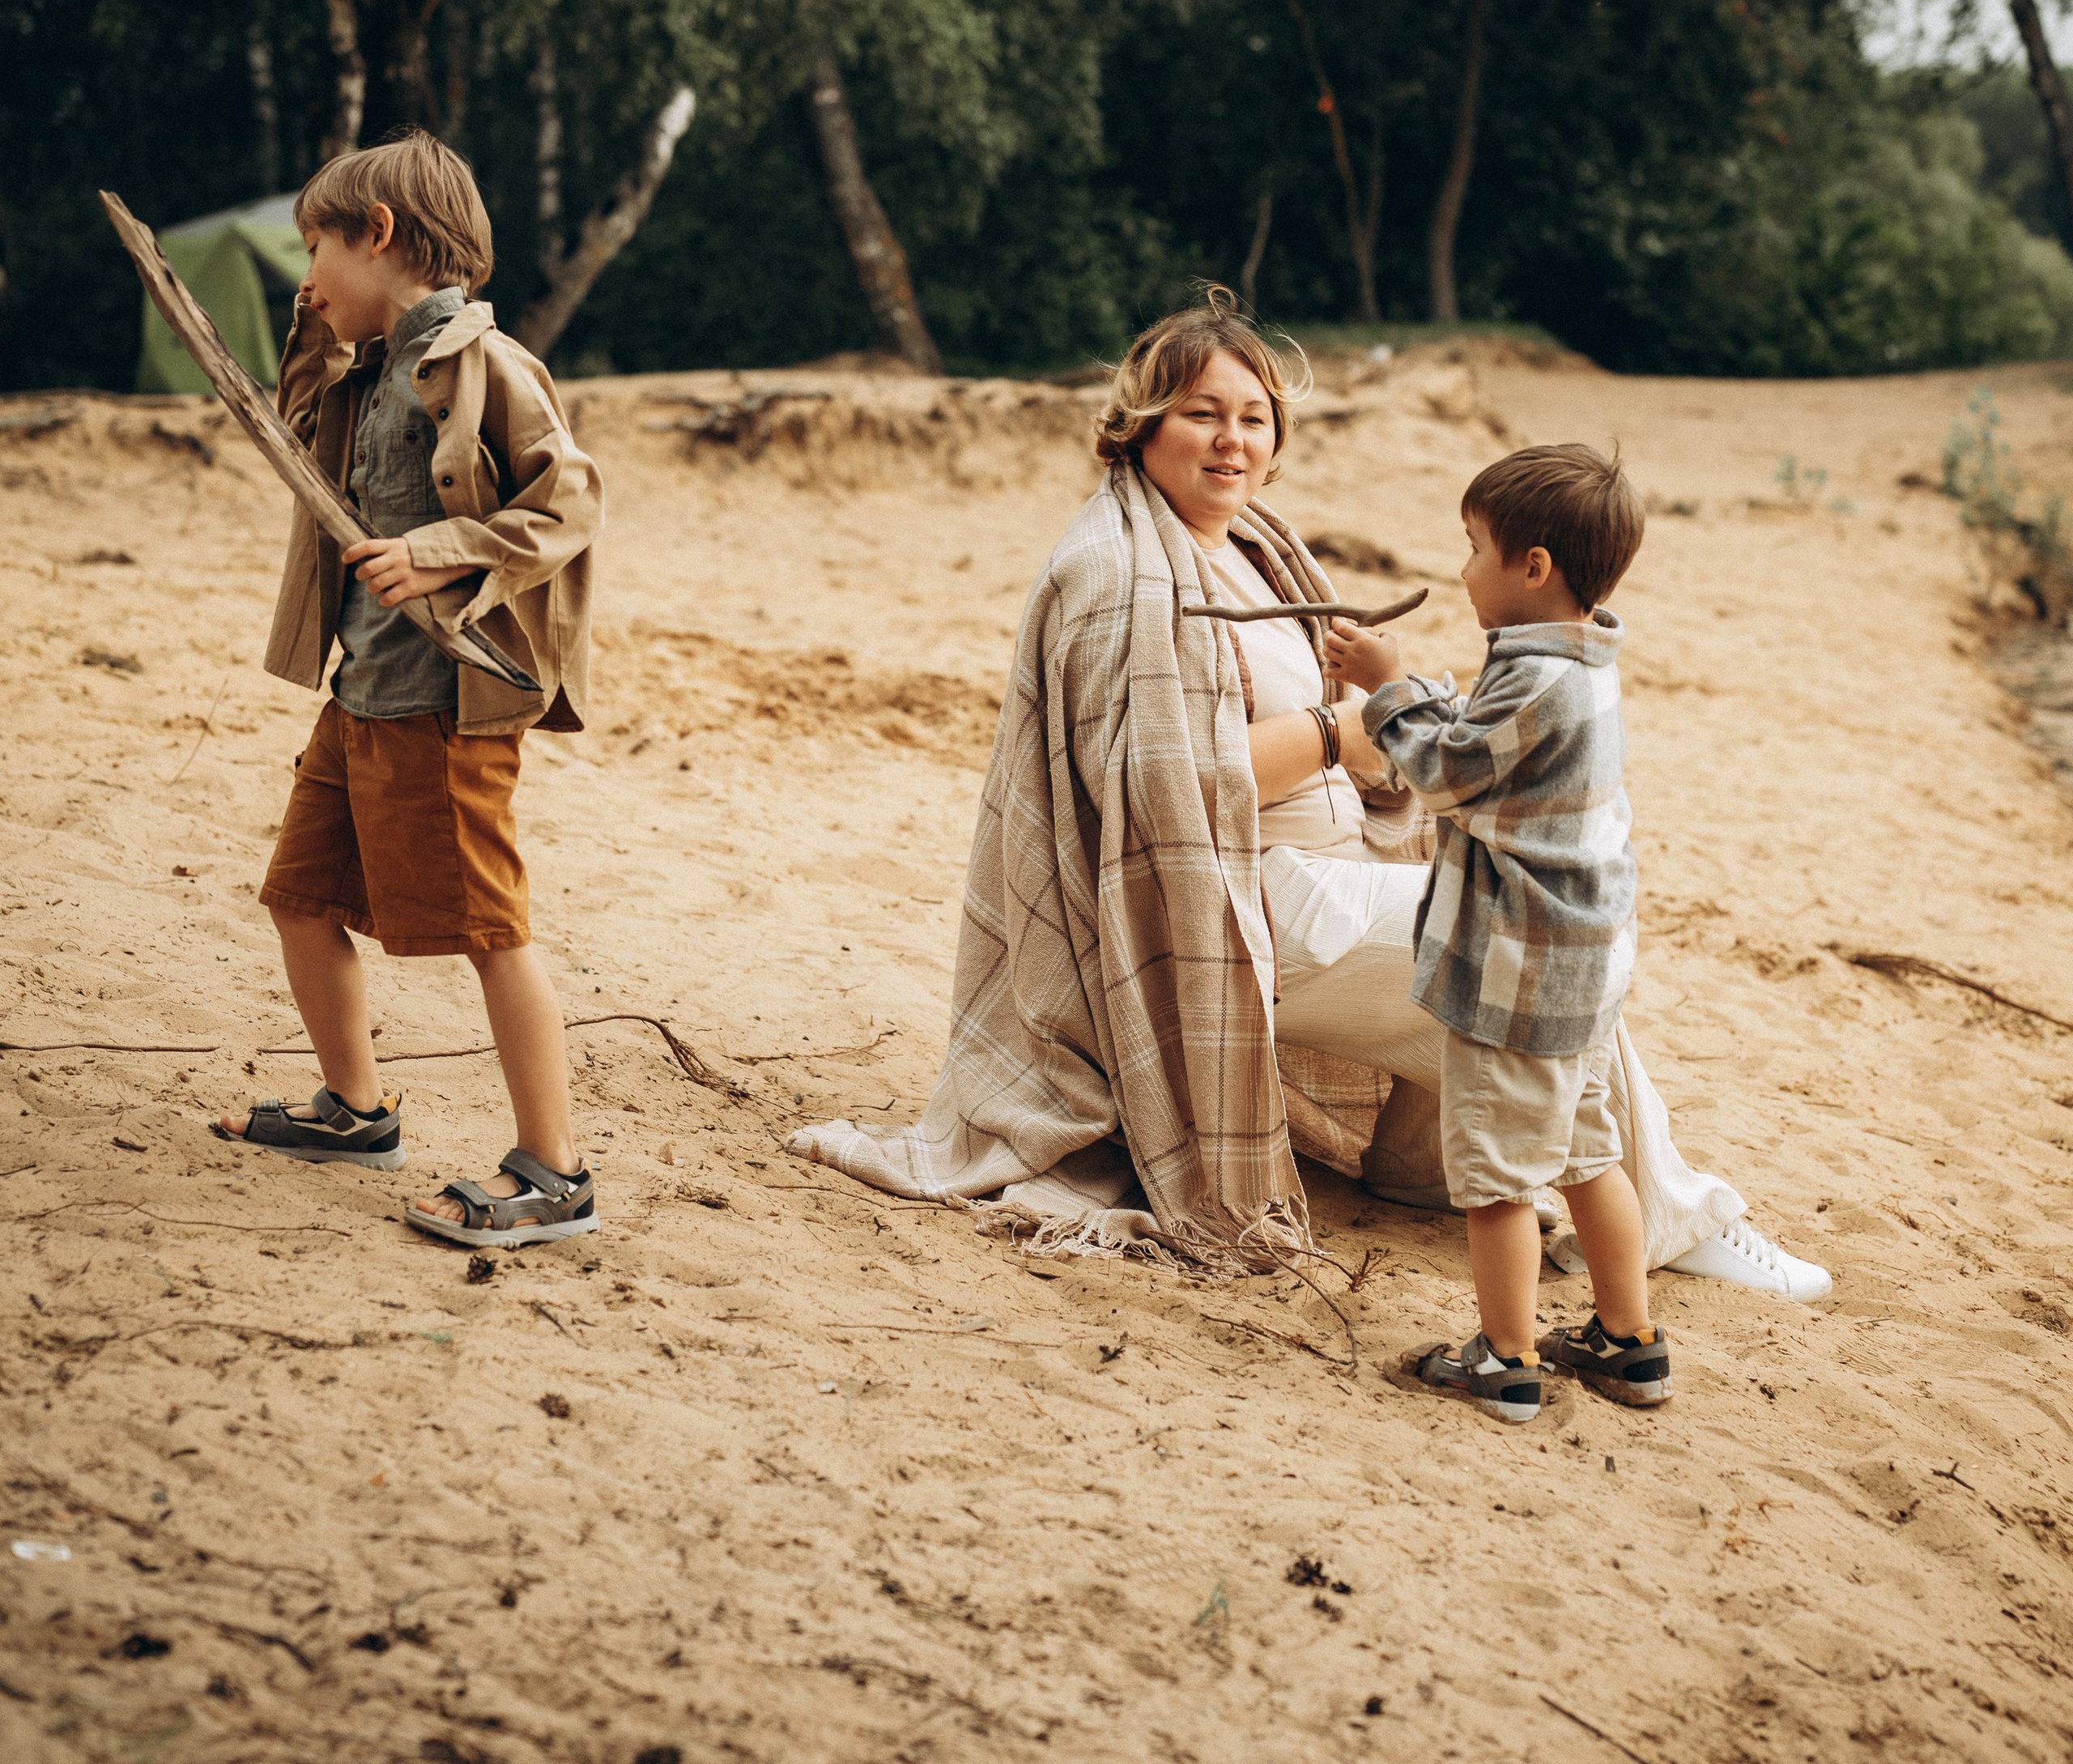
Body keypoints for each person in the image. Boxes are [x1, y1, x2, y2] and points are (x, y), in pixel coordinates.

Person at [794, 290, 1826, 1305]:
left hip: (1322, 875)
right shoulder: (1116, 572)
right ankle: (1680, 1219)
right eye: (1202, 413)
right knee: (1524, 946)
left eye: (1253, 418)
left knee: (1522, 964)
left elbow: (1335, 733)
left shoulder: (1253, 546)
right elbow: (1164, 789)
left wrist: (1381, 754)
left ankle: (1438, 1168)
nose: (1231, 440)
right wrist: (1348, 733)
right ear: (1141, 424)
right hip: (1227, 905)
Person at [214, 130, 605, 1250]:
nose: (307, 273)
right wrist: (311, 327)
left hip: (445, 704)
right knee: (301, 897)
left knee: (491, 929)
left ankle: (554, 1170)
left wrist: (442, 550)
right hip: (360, 693)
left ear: (378, 233)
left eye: (316, 248)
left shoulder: (490, 368)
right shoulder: (371, 368)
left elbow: (571, 501)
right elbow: (295, 432)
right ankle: (354, 1107)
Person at [1330, 442, 1666, 1427]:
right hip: (1582, 971)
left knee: (1496, 1179)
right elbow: (1489, 751)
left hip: (1518, 975)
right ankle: (1627, 1343)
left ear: (1534, 566)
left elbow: (1444, 776)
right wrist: (1427, 699)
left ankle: (1505, 1362)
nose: (1463, 567)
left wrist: (1387, 688)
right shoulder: (1579, 659)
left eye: (1474, 547)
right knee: (1588, 1155)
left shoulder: (1536, 683)